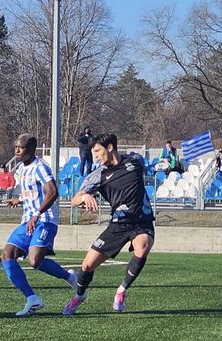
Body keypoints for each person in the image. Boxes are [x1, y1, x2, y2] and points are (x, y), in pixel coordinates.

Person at [63, 134, 155, 316]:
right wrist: (85, 196)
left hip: (141, 221)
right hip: (118, 224)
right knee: (87, 266)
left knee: (142, 247)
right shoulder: (98, 175)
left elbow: (142, 177)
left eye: (97, 151)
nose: (95, 156)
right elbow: (74, 199)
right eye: (93, 152)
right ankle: (79, 296)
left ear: (110, 147)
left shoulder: (136, 160)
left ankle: (121, 290)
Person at [0, 134, 79, 316]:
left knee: (34, 261)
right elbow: (32, 193)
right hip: (28, 220)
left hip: (45, 220)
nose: (17, 151)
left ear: (32, 149)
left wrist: (38, 213)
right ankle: (32, 299)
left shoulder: (40, 167)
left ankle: (69, 277)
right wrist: (18, 200)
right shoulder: (20, 169)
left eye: (21, 148)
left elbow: (52, 192)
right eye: (16, 147)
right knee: (7, 255)